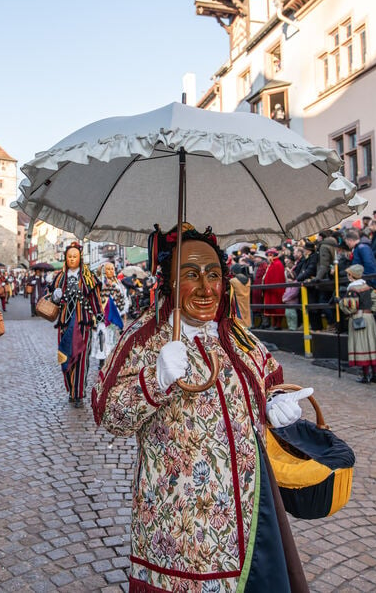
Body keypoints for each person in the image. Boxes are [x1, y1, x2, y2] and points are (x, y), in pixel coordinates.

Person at [91, 224, 310, 592]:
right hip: (182, 517)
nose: (207, 288)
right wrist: (154, 380)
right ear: (168, 282)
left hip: (252, 508)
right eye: (191, 275)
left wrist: (274, 404)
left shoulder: (237, 334)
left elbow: (268, 380)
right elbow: (110, 414)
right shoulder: (144, 337)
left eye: (214, 275)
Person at [50, 242, 102, 408]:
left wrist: (99, 316)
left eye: (75, 256)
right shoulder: (59, 277)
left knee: (81, 357)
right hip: (65, 323)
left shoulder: (88, 276)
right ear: (65, 258)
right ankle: (71, 388)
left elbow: (95, 298)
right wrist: (55, 296)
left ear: (80, 258)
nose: (72, 259)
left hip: (83, 322)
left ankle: (78, 393)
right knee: (64, 355)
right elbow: (53, 300)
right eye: (69, 256)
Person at [340, 264, 376, 383]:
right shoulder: (368, 288)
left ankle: (366, 375)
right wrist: (372, 310)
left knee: (362, 345)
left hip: (358, 318)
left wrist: (340, 303)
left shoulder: (352, 289)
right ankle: (375, 374)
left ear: (352, 275)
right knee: (371, 344)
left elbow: (351, 308)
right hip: (369, 317)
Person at [91, 262, 129, 366]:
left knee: (113, 338)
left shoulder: (119, 284)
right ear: (104, 271)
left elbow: (124, 299)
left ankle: (112, 360)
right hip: (102, 317)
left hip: (115, 315)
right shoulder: (100, 284)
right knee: (102, 338)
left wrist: (123, 315)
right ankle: (102, 361)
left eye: (112, 268)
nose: (111, 271)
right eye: (108, 269)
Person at [262, 248, 287, 329]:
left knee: (276, 307)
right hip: (271, 290)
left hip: (276, 290)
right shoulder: (273, 263)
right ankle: (274, 324)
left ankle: (278, 325)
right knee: (272, 307)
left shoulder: (277, 264)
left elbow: (276, 278)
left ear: (271, 255)